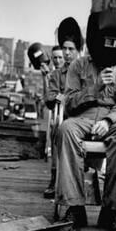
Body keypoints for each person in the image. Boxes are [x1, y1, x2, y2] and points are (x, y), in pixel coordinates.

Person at [55, 10, 116, 231]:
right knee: (65, 130)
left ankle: (110, 212)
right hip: (82, 117)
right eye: (105, 41)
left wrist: (109, 120)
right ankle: (75, 206)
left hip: (112, 119)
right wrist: (94, 86)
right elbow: (70, 103)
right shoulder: (78, 66)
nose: (109, 46)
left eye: (114, 42)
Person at [42, 19, 83, 198]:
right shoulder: (58, 74)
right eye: (64, 49)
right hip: (64, 117)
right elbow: (50, 97)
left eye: (71, 49)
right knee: (56, 128)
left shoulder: (86, 71)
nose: (66, 53)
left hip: (83, 117)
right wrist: (59, 98)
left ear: (78, 50)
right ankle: (54, 177)